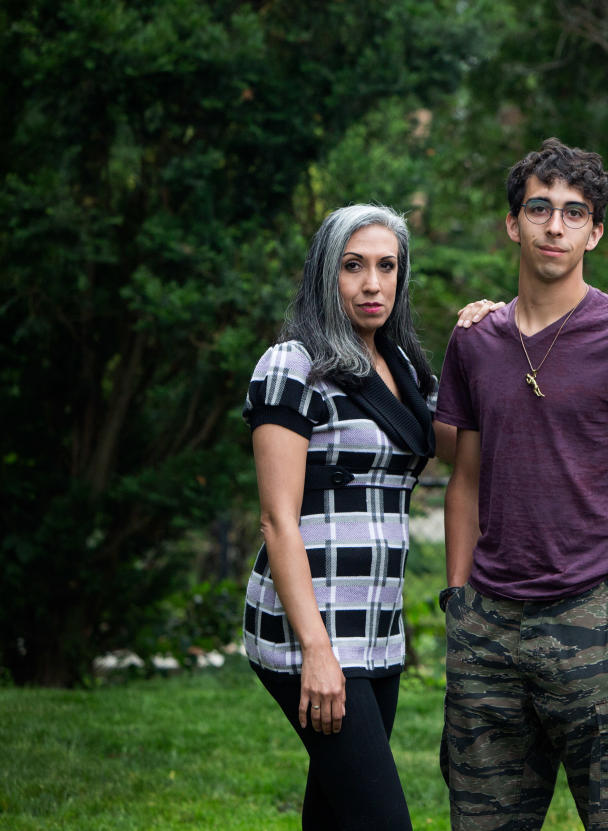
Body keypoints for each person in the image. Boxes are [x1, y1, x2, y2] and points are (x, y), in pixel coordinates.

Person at [434, 138, 608, 830]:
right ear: (513, 223)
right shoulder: (475, 340)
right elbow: (464, 480)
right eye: (540, 208)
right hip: (488, 629)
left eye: (574, 212)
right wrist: (460, 602)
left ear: (595, 232)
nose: (556, 225)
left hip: (595, 617)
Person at [242, 204, 442, 830]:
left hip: (379, 628)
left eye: (387, 266)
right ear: (325, 274)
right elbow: (278, 519)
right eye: (353, 267)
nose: (372, 284)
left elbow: (469, 450)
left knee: (334, 813)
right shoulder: (292, 365)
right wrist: (317, 651)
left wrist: (490, 335)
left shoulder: (405, 368)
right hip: (315, 629)